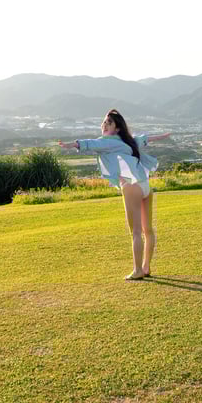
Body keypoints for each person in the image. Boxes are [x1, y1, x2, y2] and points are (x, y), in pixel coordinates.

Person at [59, 109, 171, 281]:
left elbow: (91, 144)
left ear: (117, 128)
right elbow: (144, 139)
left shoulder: (108, 141)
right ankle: (146, 267)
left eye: (109, 123)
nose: (104, 125)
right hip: (145, 186)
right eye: (104, 122)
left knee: (135, 232)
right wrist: (163, 136)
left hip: (130, 186)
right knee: (147, 230)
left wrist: (72, 144)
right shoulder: (127, 141)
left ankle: (137, 270)